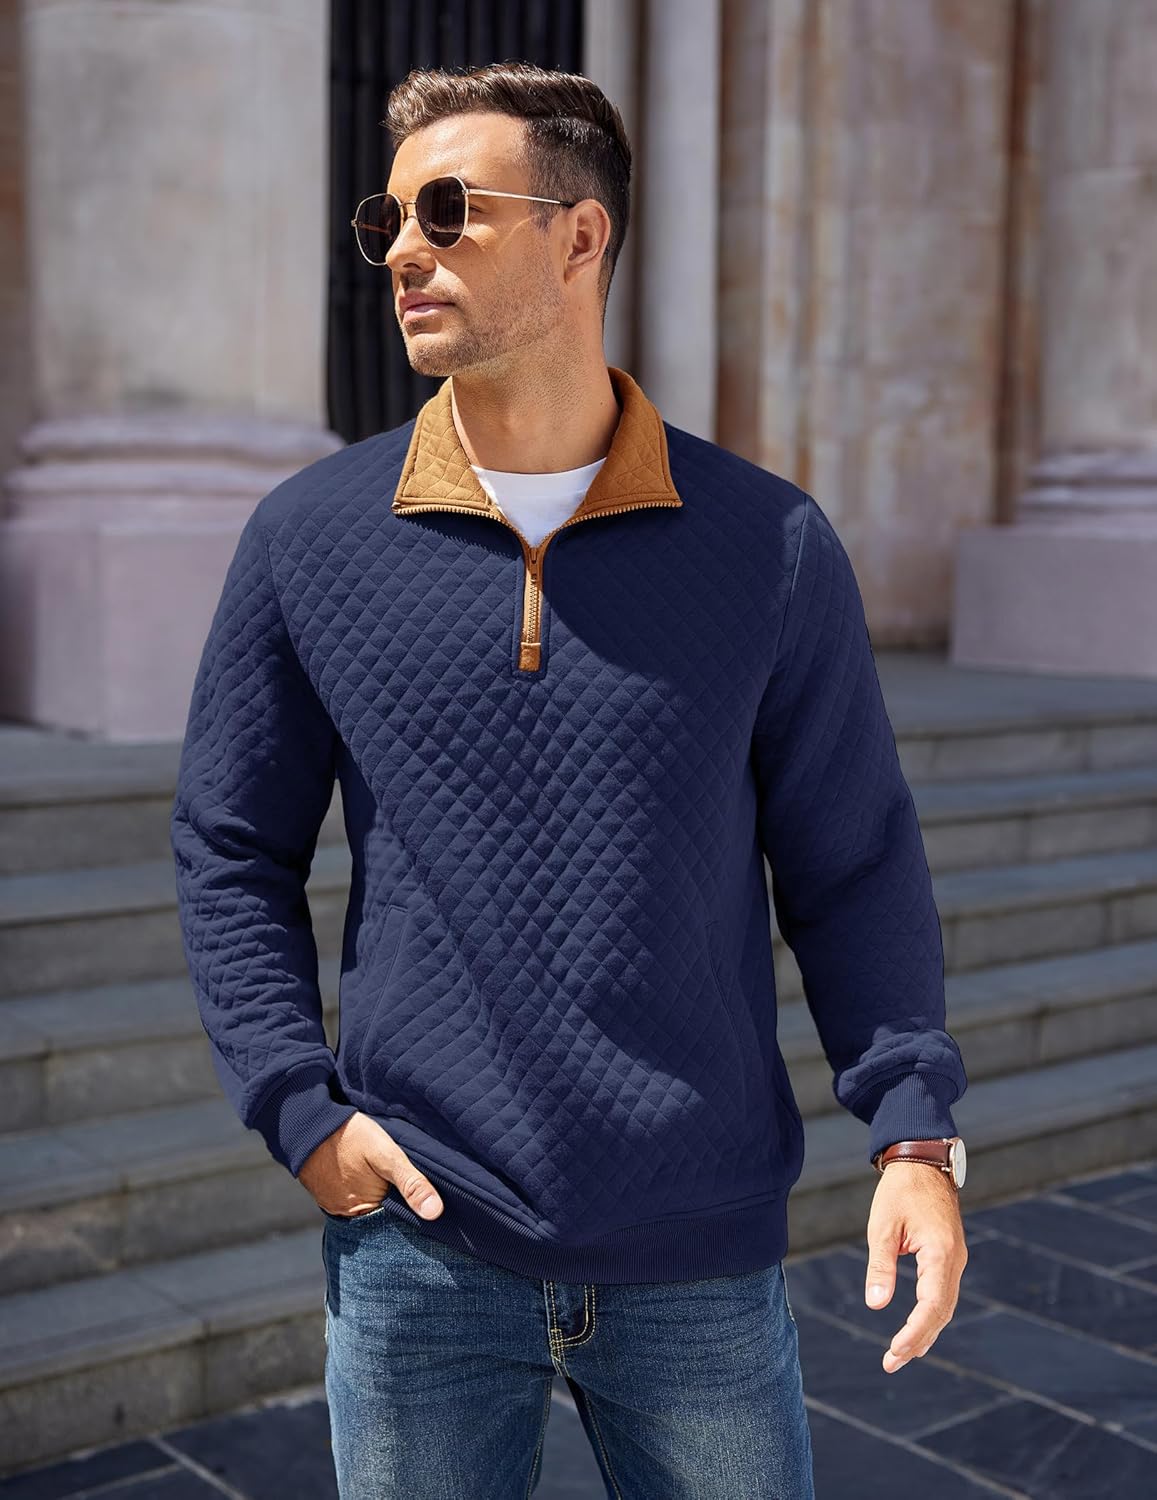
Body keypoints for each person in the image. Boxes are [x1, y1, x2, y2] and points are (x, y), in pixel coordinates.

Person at [171, 59, 970, 1500]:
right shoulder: (308, 538)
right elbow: (229, 845)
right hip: (418, 1246)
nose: (402, 251)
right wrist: (299, 1109)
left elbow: (854, 859)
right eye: (386, 221)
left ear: (579, 236)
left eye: (448, 212)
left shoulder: (769, 543)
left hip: (697, 1252)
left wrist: (913, 1129)